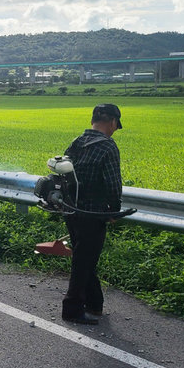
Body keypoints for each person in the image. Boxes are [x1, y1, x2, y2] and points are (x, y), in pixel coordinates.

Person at [61, 103, 123, 325]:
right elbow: (113, 184)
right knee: (83, 260)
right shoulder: (108, 147)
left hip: (71, 209)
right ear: (113, 122)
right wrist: (114, 210)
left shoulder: (77, 142)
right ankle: (72, 309)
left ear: (92, 120)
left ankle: (95, 305)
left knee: (85, 257)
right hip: (93, 213)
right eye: (116, 125)